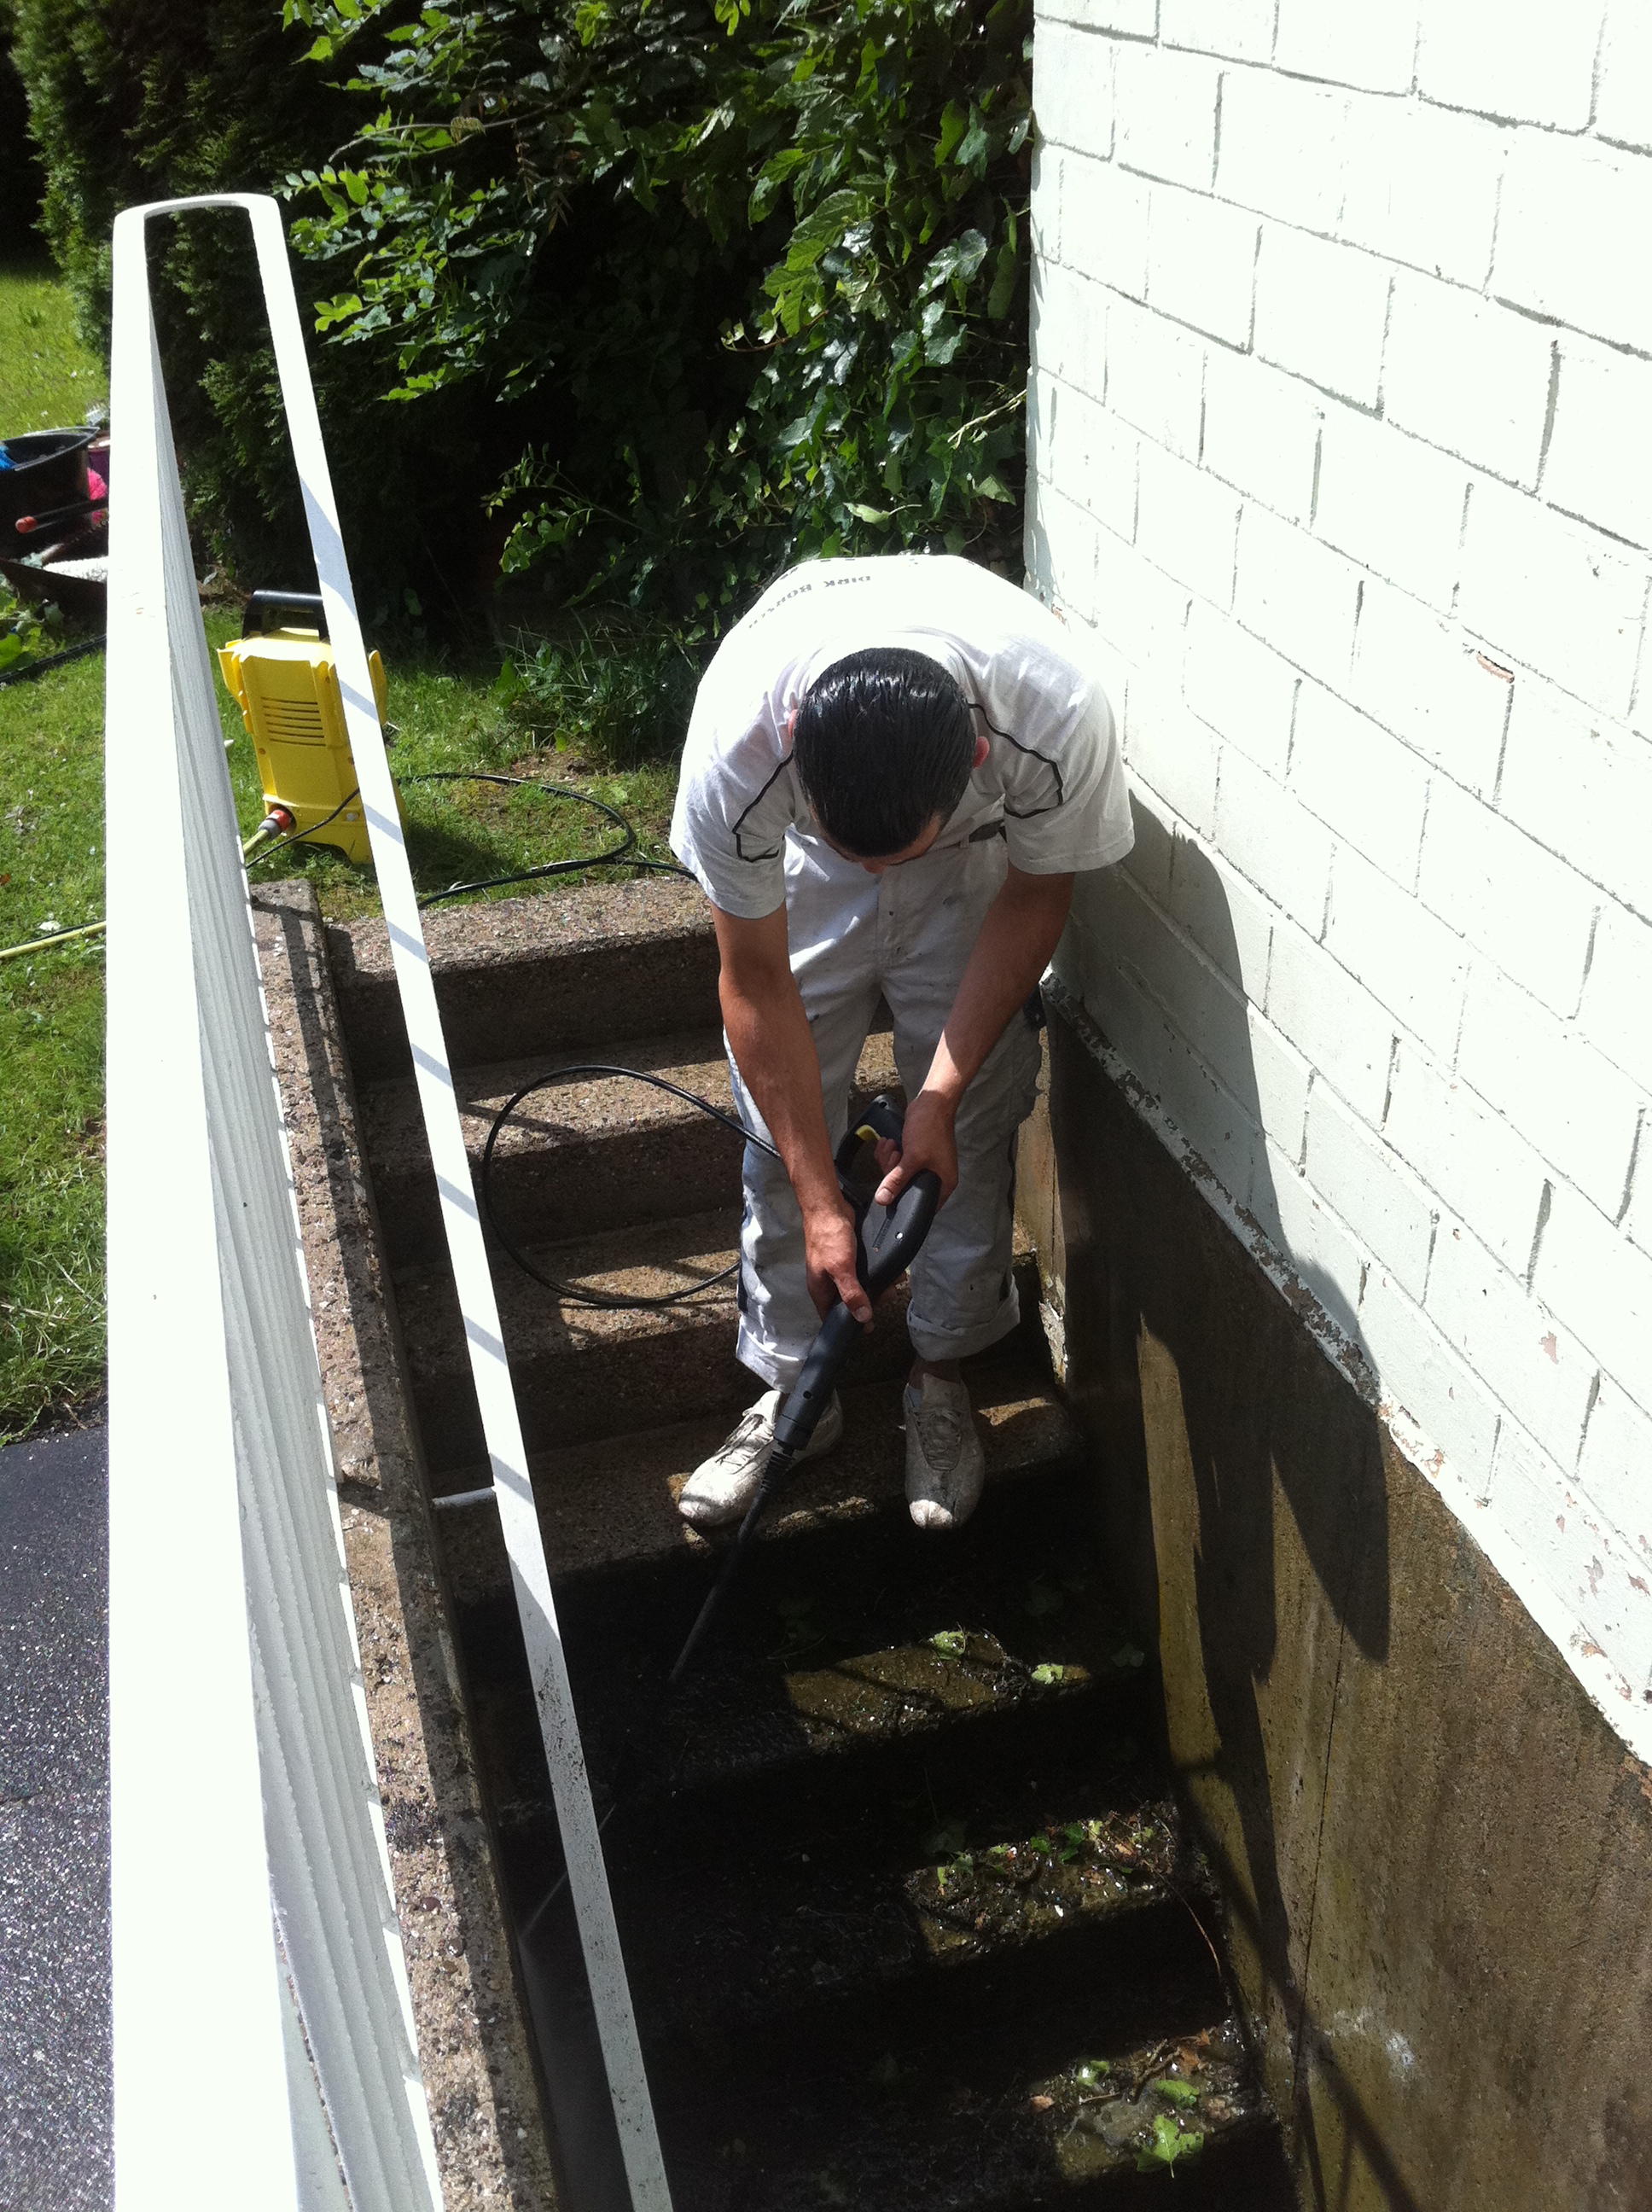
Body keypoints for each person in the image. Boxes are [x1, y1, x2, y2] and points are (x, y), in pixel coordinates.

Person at [668, 552, 1131, 1534]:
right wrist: (818, 1195)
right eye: (862, 855)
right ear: (795, 741)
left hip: (973, 863)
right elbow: (753, 980)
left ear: (976, 756)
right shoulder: (737, 743)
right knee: (779, 1133)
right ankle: (794, 1390)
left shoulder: (1054, 712)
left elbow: (1036, 897)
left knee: (976, 1122)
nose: (875, 875)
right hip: (801, 863)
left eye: (889, 857)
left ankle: (940, 1377)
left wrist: (939, 1097)